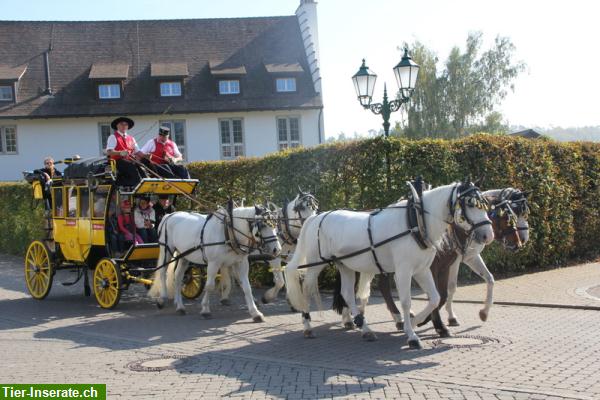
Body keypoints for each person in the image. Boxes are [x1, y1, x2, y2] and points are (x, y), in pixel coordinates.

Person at [105, 117, 146, 187]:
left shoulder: (131, 138)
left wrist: (146, 156)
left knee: (143, 168)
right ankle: (134, 186)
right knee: (132, 168)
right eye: (121, 124)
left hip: (129, 161)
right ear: (117, 126)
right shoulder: (113, 137)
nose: (124, 126)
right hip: (117, 162)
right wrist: (120, 153)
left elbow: (138, 151)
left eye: (126, 124)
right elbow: (109, 151)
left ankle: (145, 185)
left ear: (128, 126)